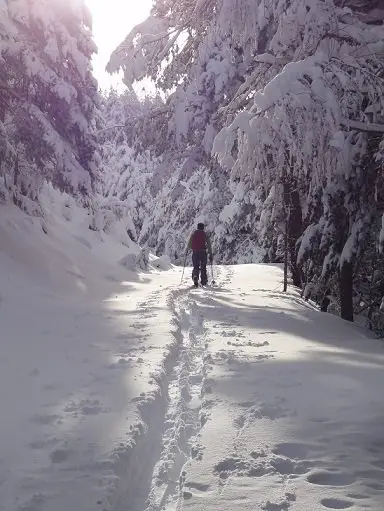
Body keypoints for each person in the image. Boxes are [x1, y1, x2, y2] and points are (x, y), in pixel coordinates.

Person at [188, 223, 213, 287]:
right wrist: (210, 253)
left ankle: (195, 276)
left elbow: (189, 244)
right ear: (203, 227)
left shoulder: (193, 234)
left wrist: (191, 249)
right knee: (203, 266)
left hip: (195, 252)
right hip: (203, 252)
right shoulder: (204, 234)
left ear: (197, 227)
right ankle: (204, 281)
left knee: (196, 266)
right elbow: (209, 244)